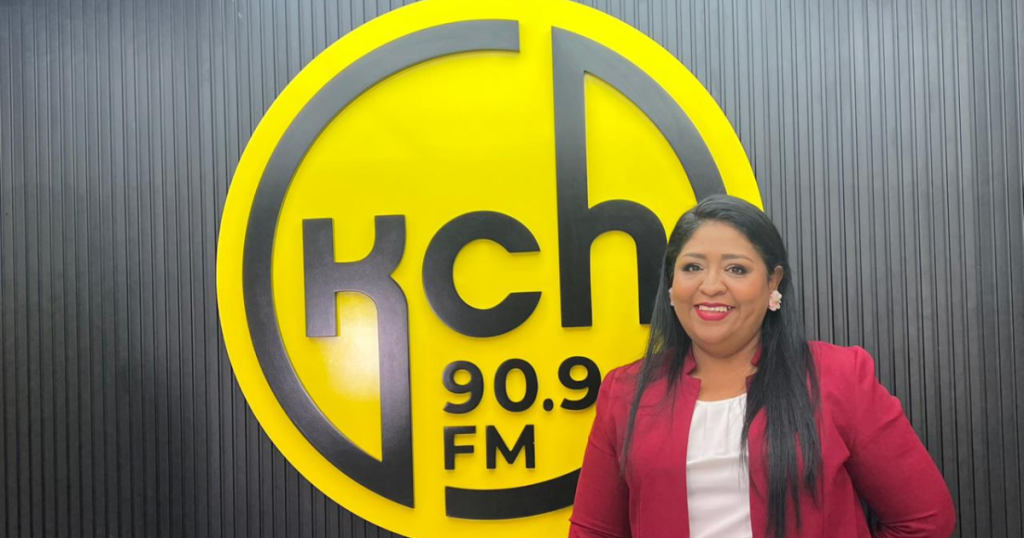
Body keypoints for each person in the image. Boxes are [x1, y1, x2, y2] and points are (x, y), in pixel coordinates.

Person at [568, 196, 955, 538]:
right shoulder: (625, 392)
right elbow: (594, 531)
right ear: (671, 284)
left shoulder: (839, 378)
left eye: (736, 269)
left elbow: (924, 519)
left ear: (773, 282)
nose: (711, 285)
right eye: (692, 267)